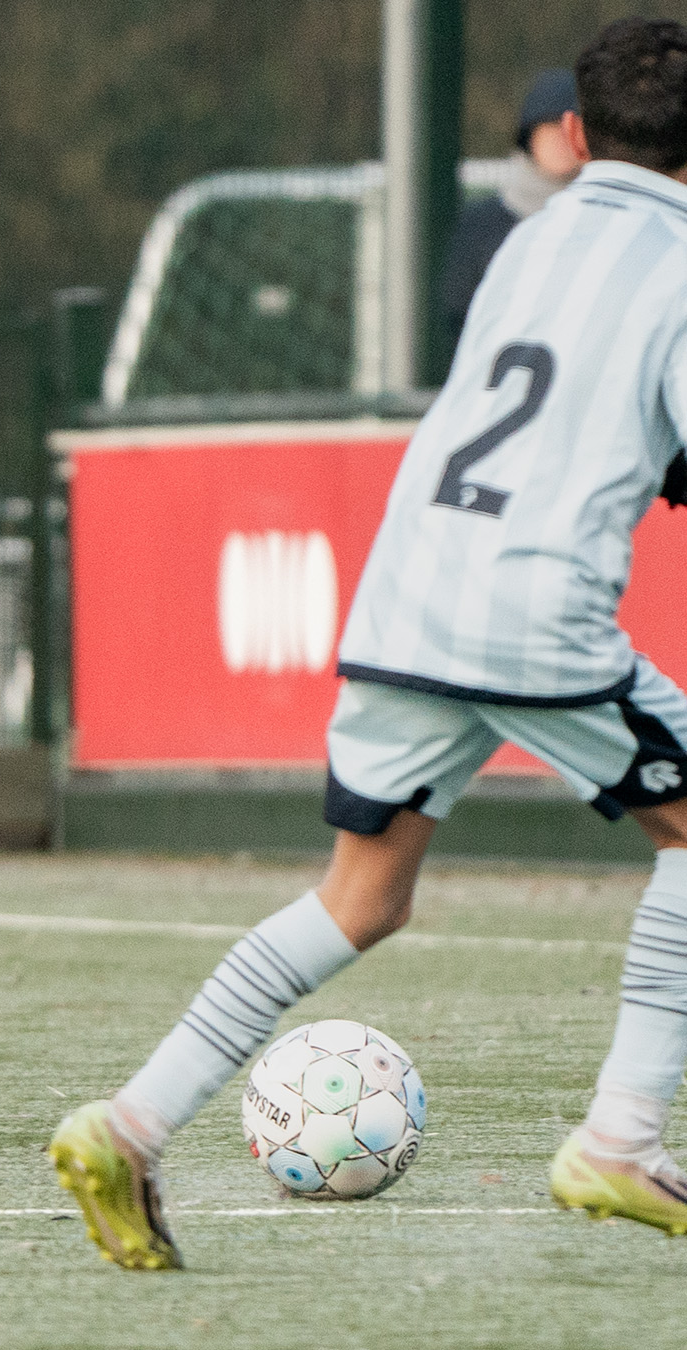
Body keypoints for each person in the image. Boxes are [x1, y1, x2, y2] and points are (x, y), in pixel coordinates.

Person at [52, 17, 687, 1269]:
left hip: (406, 595)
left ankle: (127, 1125)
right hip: (532, 609)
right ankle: (618, 1139)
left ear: (575, 134)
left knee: (364, 893)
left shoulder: (523, 238)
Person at [436, 68, 587, 356]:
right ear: (529, 138)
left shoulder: (613, 221)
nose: (562, 140)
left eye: (573, 129)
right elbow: (458, 314)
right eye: (551, 128)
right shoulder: (483, 224)